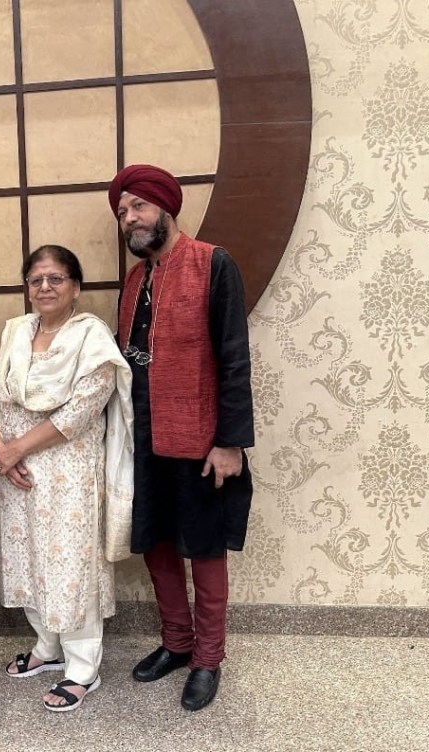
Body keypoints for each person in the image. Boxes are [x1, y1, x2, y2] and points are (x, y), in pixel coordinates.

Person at [109, 164, 254, 711]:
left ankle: (208, 658)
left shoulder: (213, 263)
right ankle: (176, 642)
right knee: (156, 541)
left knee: (205, 548)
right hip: (142, 435)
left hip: (200, 438)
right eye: (123, 212)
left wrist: (230, 442)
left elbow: (235, 357)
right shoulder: (134, 280)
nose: (130, 218)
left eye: (138, 207)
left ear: (165, 208)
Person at [0, 245, 133, 713]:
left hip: (68, 472)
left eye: (56, 278)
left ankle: (83, 667)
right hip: (17, 473)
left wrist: (15, 449)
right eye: (36, 280)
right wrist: (1, 450)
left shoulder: (91, 337)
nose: (45, 287)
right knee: (29, 558)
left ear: (75, 287)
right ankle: (47, 648)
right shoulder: (16, 331)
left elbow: (82, 409)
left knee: (71, 565)